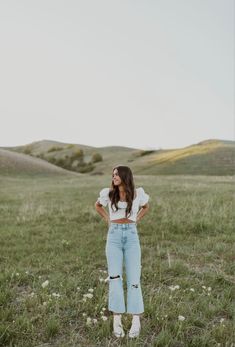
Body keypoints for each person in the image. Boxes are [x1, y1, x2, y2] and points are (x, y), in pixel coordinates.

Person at [94, 165, 150, 338]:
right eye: (113, 175)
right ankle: (116, 320)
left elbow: (146, 207)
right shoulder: (109, 193)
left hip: (132, 236)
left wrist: (135, 220)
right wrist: (108, 220)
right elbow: (97, 206)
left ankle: (135, 320)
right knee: (115, 277)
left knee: (134, 279)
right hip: (114, 237)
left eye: (117, 174)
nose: (114, 177)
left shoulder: (138, 193)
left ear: (125, 176)